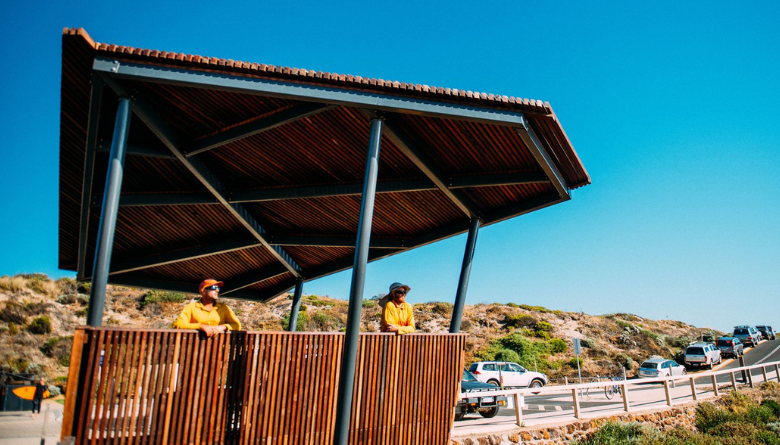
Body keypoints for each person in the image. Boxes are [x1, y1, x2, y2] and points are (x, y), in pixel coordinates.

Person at [173, 278, 241, 337]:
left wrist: (223, 327)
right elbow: (178, 325)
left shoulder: (224, 308)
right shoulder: (191, 307)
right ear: (203, 291)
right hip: (196, 347)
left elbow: (237, 325)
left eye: (218, 288)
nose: (217, 290)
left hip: (218, 347)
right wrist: (201, 326)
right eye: (213, 288)